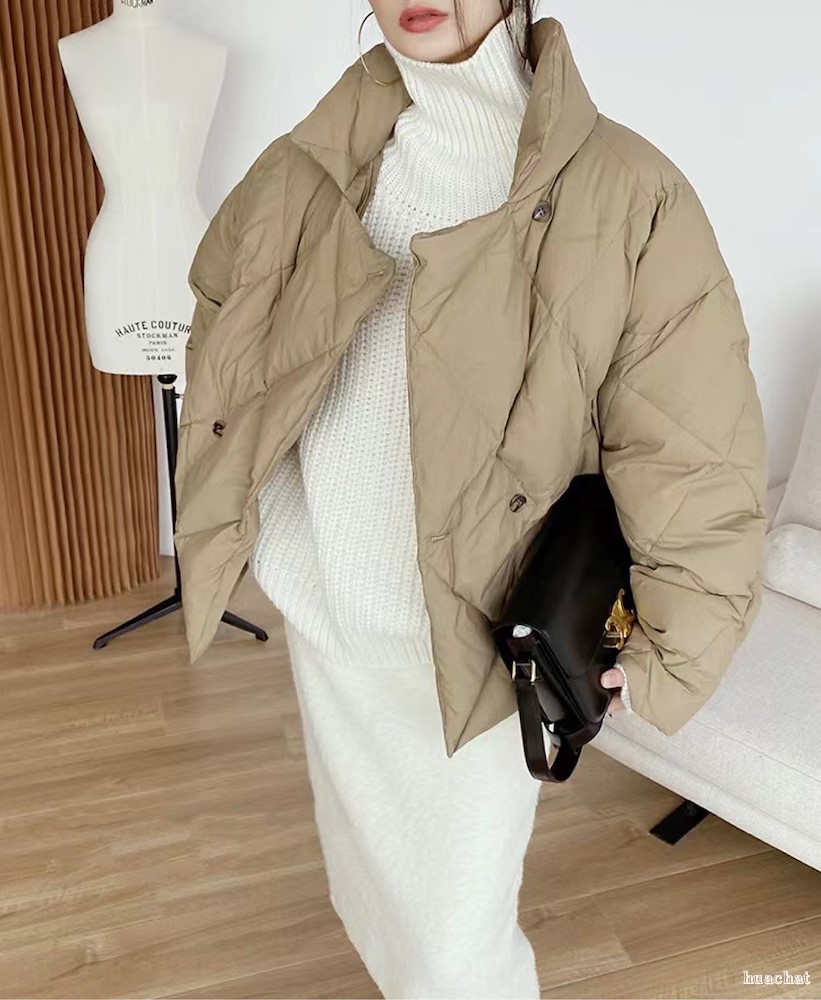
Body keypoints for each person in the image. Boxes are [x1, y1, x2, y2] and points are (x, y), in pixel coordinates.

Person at [173, 3, 769, 997]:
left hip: (475, 650)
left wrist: (677, 641)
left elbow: (692, 444)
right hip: (332, 619)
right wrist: (269, 530)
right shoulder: (307, 164)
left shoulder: (627, 190)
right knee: (380, 898)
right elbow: (228, 334)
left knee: (455, 950)